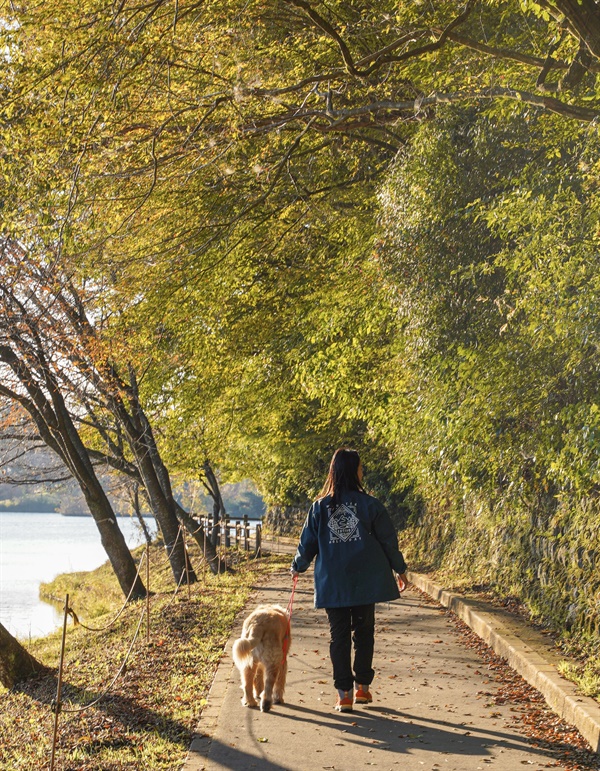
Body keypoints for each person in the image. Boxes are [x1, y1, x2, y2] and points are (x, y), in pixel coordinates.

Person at [290, 447, 408, 712]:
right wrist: (400, 569)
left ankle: (344, 694)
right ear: (354, 471)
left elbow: (307, 543)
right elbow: (388, 541)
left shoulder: (320, 507)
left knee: (339, 637)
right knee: (364, 633)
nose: (362, 471)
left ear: (333, 471)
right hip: (365, 580)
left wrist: (298, 566)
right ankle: (362, 690)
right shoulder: (370, 505)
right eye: (360, 467)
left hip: (334, 583)